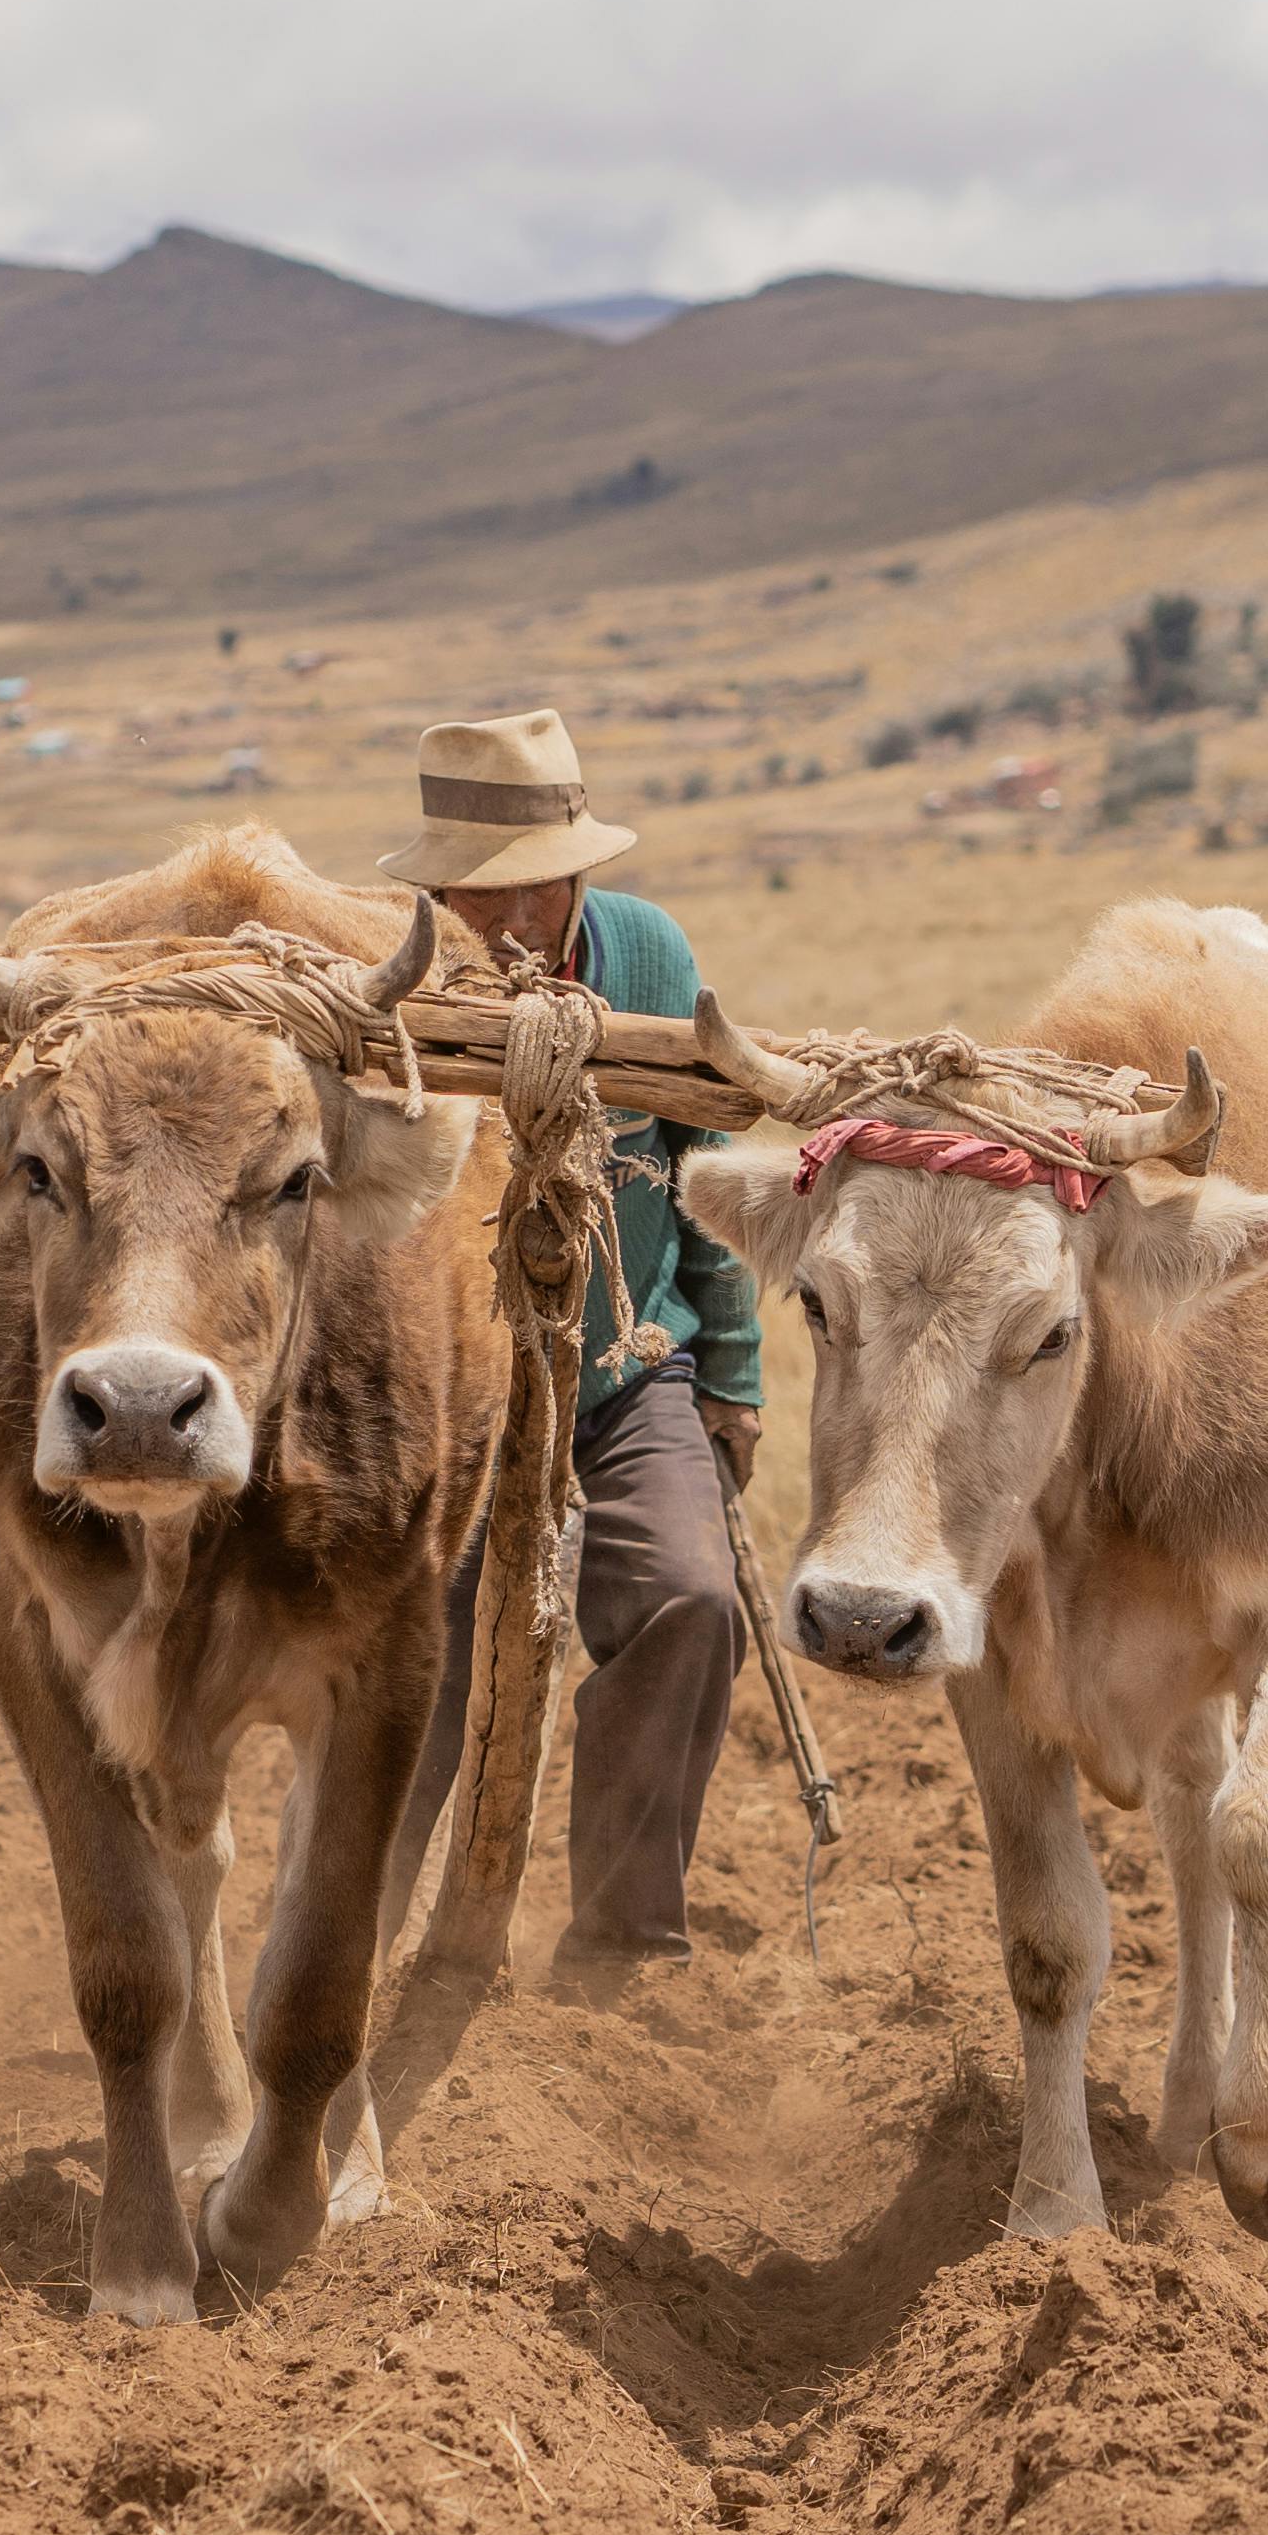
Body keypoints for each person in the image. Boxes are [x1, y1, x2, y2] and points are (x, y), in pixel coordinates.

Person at [379, 708, 762, 1983]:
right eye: (479, 897)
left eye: (535, 890)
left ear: (578, 874)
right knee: (422, 1666)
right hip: (458, 1400)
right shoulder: (397, 984)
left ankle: (622, 1932)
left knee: (692, 1603)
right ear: (434, 888)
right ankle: (354, 1938)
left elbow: (703, 1167)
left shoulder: (650, 956)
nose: (509, 922)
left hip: (623, 1364)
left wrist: (735, 1381)